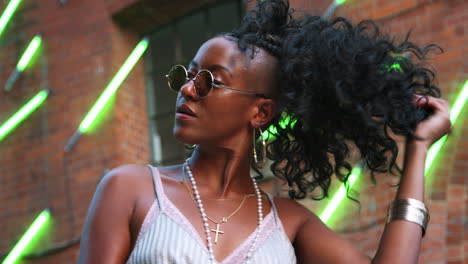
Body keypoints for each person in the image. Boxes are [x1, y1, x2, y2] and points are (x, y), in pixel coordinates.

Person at [77, 0, 451, 263]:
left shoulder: (288, 223)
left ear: (260, 112)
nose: (187, 89)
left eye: (209, 81)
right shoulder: (131, 189)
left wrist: (418, 148)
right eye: (186, 75)